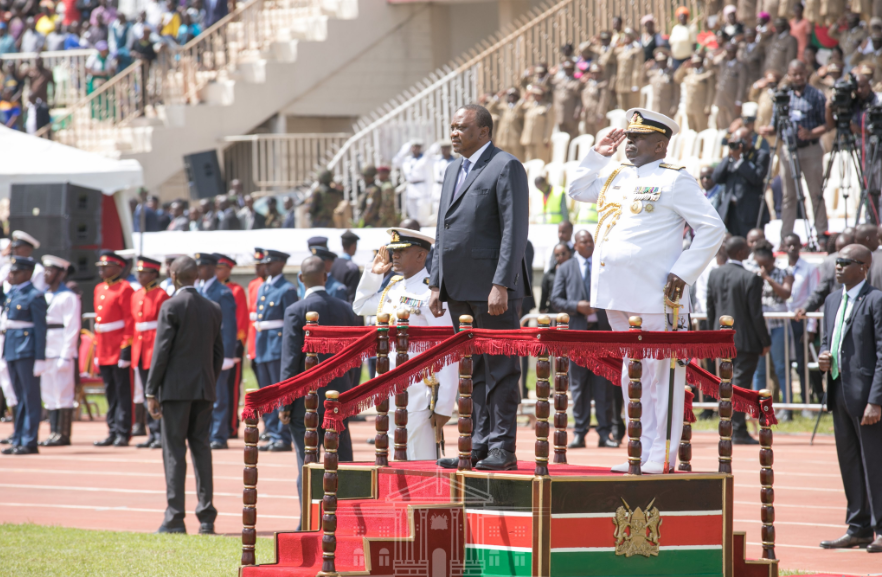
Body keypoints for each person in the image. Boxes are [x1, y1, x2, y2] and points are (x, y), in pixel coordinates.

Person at [567, 109, 726, 472]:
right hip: (616, 293)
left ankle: (662, 455)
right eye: (630, 138)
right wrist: (598, 153)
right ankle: (638, 450)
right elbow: (577, 190)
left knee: (662, 376)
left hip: (657, 294)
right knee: (632, 372)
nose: (631, 144)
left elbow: (711, 228)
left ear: (660, 145)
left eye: (639, 139)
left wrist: (683, 272)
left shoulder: (675, 180)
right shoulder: (616, 175)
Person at [430, 103, 530, 471]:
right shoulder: (453, 168)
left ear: (484, 131)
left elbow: (514, 231)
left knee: (501, 368)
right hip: (457, 289)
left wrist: (501, 283)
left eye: (462, 127)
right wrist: (436, 282)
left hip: (492, 289)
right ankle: (476, 445)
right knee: (473, 371)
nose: (454, 133)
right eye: (452, 126)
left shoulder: (506, 166)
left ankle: (502, 447)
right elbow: (442, 228)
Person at [352, 229, 457, 459]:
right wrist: (374, 275)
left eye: (401, 251)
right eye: (393, 251)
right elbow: (360, 307)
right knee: (394, 459)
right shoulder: (393, 287)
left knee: (420, 459)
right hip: (389, 387)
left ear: (421, 256)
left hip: (420, 392)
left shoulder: (432, 292)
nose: (394, 256)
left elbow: (447, 349)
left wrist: (444, 406)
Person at [145, 256, 222, 535]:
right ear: (196, 276)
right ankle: (206, 517)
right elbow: (217, 354)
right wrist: (209, 383)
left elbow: (161, 352)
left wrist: (151, 389)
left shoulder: (171, 305)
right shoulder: (213, 307)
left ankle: (175, 517)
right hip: (203, 389)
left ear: (173, 275)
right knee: (201, 449)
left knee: (174, 452)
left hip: (175, 391)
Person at [817, 243, 882, 553]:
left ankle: (881, 528)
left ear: (864, 267)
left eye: (846, 262)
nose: (838, 266)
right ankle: (858, 527)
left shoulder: (876, 301)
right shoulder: (831, 300)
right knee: (850, 463)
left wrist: (876, 400)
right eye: (837, 261)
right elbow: (825, 341)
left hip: (867, 398)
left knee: (875, 464)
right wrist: (822, 356)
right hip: (838, 391)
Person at [279, 256, 358, 511]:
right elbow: (355, 359)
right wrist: (351, 391)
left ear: (301, 279)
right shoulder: (346, 309)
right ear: (326, 277)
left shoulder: (296, 310)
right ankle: (348, 518)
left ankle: (309, 522)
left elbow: (291, 362)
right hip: (340, 397)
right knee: (343, 461)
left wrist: (285, 402)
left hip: (306, 402)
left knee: (307, 462)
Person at [551, 230, 619, 448]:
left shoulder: (603, 266)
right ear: (575, 244)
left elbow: (615, 293)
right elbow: (555, 299)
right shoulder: (566, 268)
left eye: (591, 241)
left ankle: (604, 433)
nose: (589, 244)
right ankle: (579, 433)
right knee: (579, 387)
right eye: (584, 241)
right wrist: (576, 306)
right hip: (578, 336)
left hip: (601, 335)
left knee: (603, 387)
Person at [706, 236, 770, 444]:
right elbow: (756, 315)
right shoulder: (750, 278)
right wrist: (765, 340)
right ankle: (738, 430)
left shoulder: (714, 275)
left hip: (722, 339)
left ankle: (727, 426)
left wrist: (712, 335)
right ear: (741, 253)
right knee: (739, 386)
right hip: (745, 341)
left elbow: (710, 310)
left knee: (725, 384)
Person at [758, 59, 828, 240]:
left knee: (816, 193)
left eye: (800, 74)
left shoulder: (816, 95)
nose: (797, 77)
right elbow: (775, 125)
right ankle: (786, 237)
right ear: (789, 75)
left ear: (806, 74)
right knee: (788, 196)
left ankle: (821, 234)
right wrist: (768, 130)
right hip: (788, 151)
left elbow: (827, 124)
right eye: (794, 74)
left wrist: (811, 133)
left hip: (811, 150)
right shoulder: (782, 96)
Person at [0, 257, 47, 455]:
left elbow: (41, 329)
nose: (12, 276)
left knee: (30, 397)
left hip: (27, 351)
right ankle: (18, 437)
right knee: (19, 397)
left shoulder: (34, 296)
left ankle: (30, 440)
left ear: (28, 273)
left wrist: (40, 358)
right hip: (12, 348)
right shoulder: (13, 294)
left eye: (16, 272)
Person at [254, 249, 298, 451]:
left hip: (277, 344)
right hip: (263, 343)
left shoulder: (287, 289)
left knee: (279, 390)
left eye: (270, 263)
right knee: (267, 391)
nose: (266, 266)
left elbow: (291, 322)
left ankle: (282, 435)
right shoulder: (264, 286)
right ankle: (271, 431)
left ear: (280, 264)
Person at [193, 253, 238, 450]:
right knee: (202, 395)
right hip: (199, 351)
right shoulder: (197, 289)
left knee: (219, 394)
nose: (198, 271)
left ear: (211, 268)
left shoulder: (223, 292)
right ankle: (206, 432)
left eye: (201, 267)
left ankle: (219, 434)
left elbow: (228, 326)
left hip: (216, 350)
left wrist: (228, 354)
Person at [93, 251, 135, 447]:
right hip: (103, 348)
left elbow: (129, 321)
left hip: (118, 348)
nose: (102, 270)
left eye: (106, 266)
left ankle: (123, 431)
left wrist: (125, 349)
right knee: (110, 392)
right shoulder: (99, 288)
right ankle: (111, 429)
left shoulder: (125, 289)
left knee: (123, 391)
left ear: (119, 268)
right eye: (100, 267)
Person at [38, 256, 80, 447]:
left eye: (51, 271)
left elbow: (72, 328)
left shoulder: (68, 296)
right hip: (45, 350)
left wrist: (67, 354)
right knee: (48, 392)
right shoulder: (44, 295)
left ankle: (63, 433)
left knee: (63, 391)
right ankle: (53, 431)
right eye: (45, 270)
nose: (47, 274)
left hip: (60, 350)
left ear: (61, 273)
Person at [131, 256, 170, 450]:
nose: (140, 276)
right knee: (146, 392)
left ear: (154, 273)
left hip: (153, 348)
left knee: (157, 393)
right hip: (140, 348)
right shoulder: (136, 295)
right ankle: (152, 433)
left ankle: (161, 433)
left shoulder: (161, 295)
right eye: (138, 272)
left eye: (144, 272)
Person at [751, 243, 794, 403]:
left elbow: (786, 293)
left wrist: (767, 279)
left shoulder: (784, 272)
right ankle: (757, 405)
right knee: (759, 369)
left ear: (773, 259)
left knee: (781, 367)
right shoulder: (752, 274)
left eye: (766, 265)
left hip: (778, 326)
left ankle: (787, 406)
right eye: (760, 264)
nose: (763, 268)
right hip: (760, 327)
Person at [712, 127, 770, 236]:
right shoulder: (731, 157)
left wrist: (739, 161)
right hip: (731, 211)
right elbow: (716, 178)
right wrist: (729, 157)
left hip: (750, 212)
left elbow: (756, 178)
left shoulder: (760, 155)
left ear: (749, 140)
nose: (738, 145)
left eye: (741, 141)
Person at [783, 233, 818, 411]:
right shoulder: (780, 267)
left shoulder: (809, 268)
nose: (792, 248)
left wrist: (811, 328)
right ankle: (786, 404)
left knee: (802, 364)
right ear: (784, 246)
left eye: (795, 245)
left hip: (800, 322)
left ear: (800, 246)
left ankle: (806, 403)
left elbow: (814, 298)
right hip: (782, 321)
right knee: (784, 363)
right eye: (789, 245)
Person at [214, 253, 248, 439]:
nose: (217, 271)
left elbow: (241, 320)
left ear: (228, 270)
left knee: (231, 386)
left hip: (230, 346)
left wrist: (238, 344)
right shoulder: (211, 289)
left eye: (220, 268)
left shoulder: (235, 290)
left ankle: (231, 425)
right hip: (215, 345)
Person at [674, 52, 716, 132]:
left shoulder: (707, 73)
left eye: (698, 62)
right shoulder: (689, 72)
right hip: (689, 106)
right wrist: (683, 67)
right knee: (691, 132)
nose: (696, 64)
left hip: (701, 107)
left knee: (702, 130)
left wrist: (708, 107)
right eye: (694, 62)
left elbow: (711, 91)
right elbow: (677, 78)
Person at [713, 42, 747, 129]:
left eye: (731, 52)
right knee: (721, 124)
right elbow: (710, 64)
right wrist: (721, 54)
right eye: (727, 52)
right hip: (721, 99)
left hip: (732, 100)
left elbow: (742, 85)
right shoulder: (723, 63)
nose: (728, 54)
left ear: (735, 52)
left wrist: (738, 101)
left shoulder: (740, 66)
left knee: (732, 125)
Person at [401, 142, 433, 225]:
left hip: (421, 187)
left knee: (422, 213)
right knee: (412, 213)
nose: (415, 149)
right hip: (411, 187)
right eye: (413, 147)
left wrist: (428, 193)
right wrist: (403, 151)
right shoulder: (407, 159)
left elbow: (429, 177)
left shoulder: (424, 159)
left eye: (417, 147)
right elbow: (395, 161)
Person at [491, 88, 527, 161]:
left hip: (516, 140)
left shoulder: (520, 106)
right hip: (503, 140)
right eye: (510, 95)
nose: (512, 97)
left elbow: (518, 111)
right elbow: (489, 108)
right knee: (505, 161)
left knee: (518, 160)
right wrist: (498, 96)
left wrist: (522, 99)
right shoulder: (503, 107)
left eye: (514, 95)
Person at [521, 86, 554, 162]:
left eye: (538, 94)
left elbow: (550, 123)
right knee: (529, 161)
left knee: (541, 161)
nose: (536, 96)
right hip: (528, 138)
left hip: (540, 139)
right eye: (534, 94)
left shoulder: (547, 106)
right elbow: (518, 108)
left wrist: (547, 138)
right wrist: (526, 95)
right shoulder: (529, 105)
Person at [551, 61, 582, 140]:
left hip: (571, 114)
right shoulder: (559, 80)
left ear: (573, 70)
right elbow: (544, 85)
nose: (567, 71)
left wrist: (577, 111)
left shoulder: (576, 82)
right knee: (562, 137)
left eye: (569, 69)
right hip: (560, 114)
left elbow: (579, 98)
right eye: (566, 69)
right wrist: (550, 74)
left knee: (573, 137)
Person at [614, 28, 644, 111]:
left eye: (627, 36)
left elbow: (637, 68)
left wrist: (635, 84)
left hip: (630, 83)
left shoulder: (636, 50)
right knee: (622, 109)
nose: (625, 38)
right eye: (624, 36)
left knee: (633, 108)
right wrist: (614, 44)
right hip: (620, 83)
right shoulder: (620, 50)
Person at [579, 64, 611, 138]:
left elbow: (604, 101)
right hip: (588, 113)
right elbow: (579, 92)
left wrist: (600, 114)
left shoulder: (603, 84)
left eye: (596, 73)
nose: (594, 75)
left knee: (599, 135)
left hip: (597, 113)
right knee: (589, 135)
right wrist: (581, 82)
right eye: (592, 73)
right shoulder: (588, 83)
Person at [330, 230, 360, 303]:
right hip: (345, 308)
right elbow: (352, 296)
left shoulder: (332, 263)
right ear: (353, 246)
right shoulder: (352, 267)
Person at [539, 243, 570, 313]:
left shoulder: (576, 272)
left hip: (572, 311)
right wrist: (542, 309)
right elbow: (544, 294)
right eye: (557, 255)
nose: (560, 257)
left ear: (569, 253)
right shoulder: (549, 274)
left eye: (563, 254)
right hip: (554, 313)